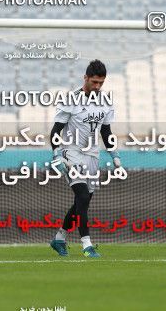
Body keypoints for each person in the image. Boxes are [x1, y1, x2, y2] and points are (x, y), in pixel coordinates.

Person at [49, 59, 121, 258]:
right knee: (81, 196)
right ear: (85, 78)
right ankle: (87, 246)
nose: (97, 87)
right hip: (71, 153)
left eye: (101, 83)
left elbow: (106, 132)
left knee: (84, 201)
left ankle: (59, 238)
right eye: (94, 82)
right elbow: (56, 130)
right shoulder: (70, 99)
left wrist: (114, 154)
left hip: (92, 155)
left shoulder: (105, 103)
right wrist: (56, 154)